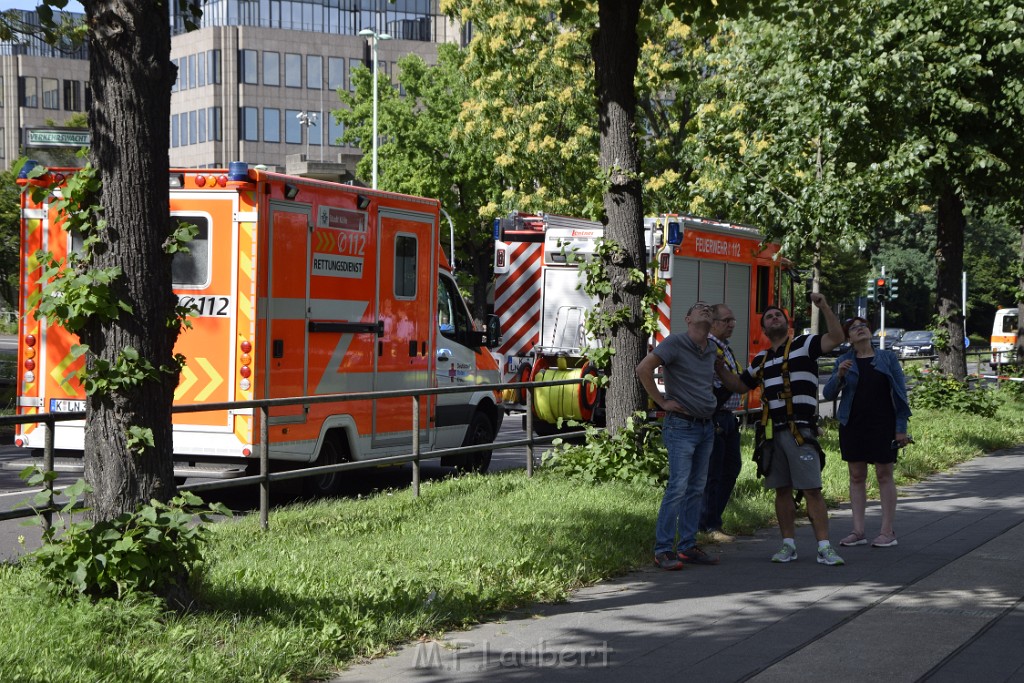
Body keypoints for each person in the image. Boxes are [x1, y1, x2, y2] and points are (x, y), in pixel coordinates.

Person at [717, 293, 846, 566]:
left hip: (801, 430)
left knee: (812, 489)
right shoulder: (761, 360)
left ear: (788, 325)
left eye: (779, 315)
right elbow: (739, 386)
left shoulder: (804, 344)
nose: (774, 318)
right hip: (772, 434)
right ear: (763, 329)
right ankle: (788, 545)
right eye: (769, 317)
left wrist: (823, 306)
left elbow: (836, 337)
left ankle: (824, 547)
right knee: (781, 490)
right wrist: (716, 365)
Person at [637, 301, 721, 570]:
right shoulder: (675, 342)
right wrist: (661, 402)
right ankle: (663, 549)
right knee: (678, 487)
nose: (705, 310)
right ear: (687, 318)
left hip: (706, 426)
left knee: (696, 488)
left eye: (709, 309)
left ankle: (687, 546)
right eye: (698, 308)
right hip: (681, 426)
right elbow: (643, 369)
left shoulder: (711, 349)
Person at [822, 317, 911, 548]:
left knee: (884, 474)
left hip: (883, 424)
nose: (860, 329)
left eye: (863, 326)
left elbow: (900, 395)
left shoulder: (888, 358)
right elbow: (829, 394)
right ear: (849, 338)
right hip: (853, 424)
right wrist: (839, 375)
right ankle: (858, 531)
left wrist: (901, 429)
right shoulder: (843, 360)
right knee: (856, 475)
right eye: (853, 328)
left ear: (870, 332)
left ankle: (887, 531)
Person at [699, 303, 742, 542]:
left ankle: (713, 520)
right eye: (726, 320)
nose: (732, 325)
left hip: (728, 418)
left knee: (730, 468)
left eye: (732, 320)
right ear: (713, 323)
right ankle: (708, 525)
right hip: (716, 417)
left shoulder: (723, 348)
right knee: (713, 473)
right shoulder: (710, 348)